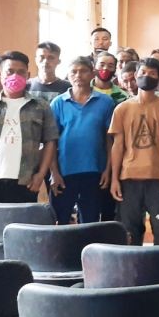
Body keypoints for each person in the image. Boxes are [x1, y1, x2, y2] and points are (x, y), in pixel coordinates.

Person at [0, 51, 59, 203]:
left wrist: (40, 174)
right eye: (10, 71)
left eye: (20, 72)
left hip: (26, 182)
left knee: (22, 226)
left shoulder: (41, 107)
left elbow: (50, 141)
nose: (15, 76)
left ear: (27, 75)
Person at [108, 58, 159, 245]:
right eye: (142, 72)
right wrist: (114, 178)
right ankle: (132, 272)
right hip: (128, 178)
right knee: (129, 230)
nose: (146, 76)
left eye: (152, 73)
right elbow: (117, 146)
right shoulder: (122, 109)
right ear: (135, 75)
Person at [48, 56, 114, 224]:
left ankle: (87, 251)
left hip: (94, 171)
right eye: (74, 72)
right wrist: (54, 172)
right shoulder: (58, 103)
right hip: (64, 172)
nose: (78, 75)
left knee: (90, 221)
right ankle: (65, 251)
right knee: (61, 219)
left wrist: (108, 170)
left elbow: (109, 140)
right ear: (68, 75)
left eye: (83, 71)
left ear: (92, 74)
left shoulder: (105, 102)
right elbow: (51, 141)